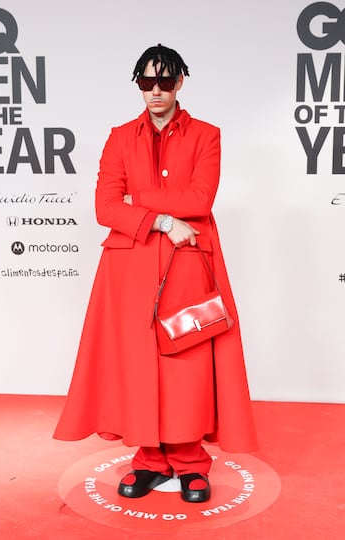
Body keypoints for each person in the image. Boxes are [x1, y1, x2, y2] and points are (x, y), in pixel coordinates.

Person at [53, 44, 257, 503]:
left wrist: (137, 202)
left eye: (165, 82)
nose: (156, 91)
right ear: (138, 85)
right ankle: (148, 460)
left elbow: (199, 201)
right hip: (129, 268)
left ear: (180, 82)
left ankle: (190, 462)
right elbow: (105, 207)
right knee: (138, 361)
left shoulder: (207, 135)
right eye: (147, 82)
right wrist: (164, 218)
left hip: (187, 263)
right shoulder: (120, 136)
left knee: (184, 358)